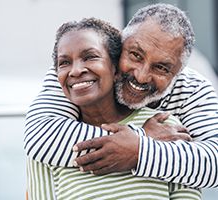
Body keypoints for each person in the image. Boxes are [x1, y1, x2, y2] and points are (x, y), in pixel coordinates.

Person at [24, 3, 218, 188]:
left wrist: (139, 151)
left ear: (178, 73)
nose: (141, 76)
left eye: (161, 67)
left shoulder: (193, 88)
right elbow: (41, 136)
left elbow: (215, 165)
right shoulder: (82, 69)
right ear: (120, 44)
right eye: (135, 55)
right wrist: (141, 138)